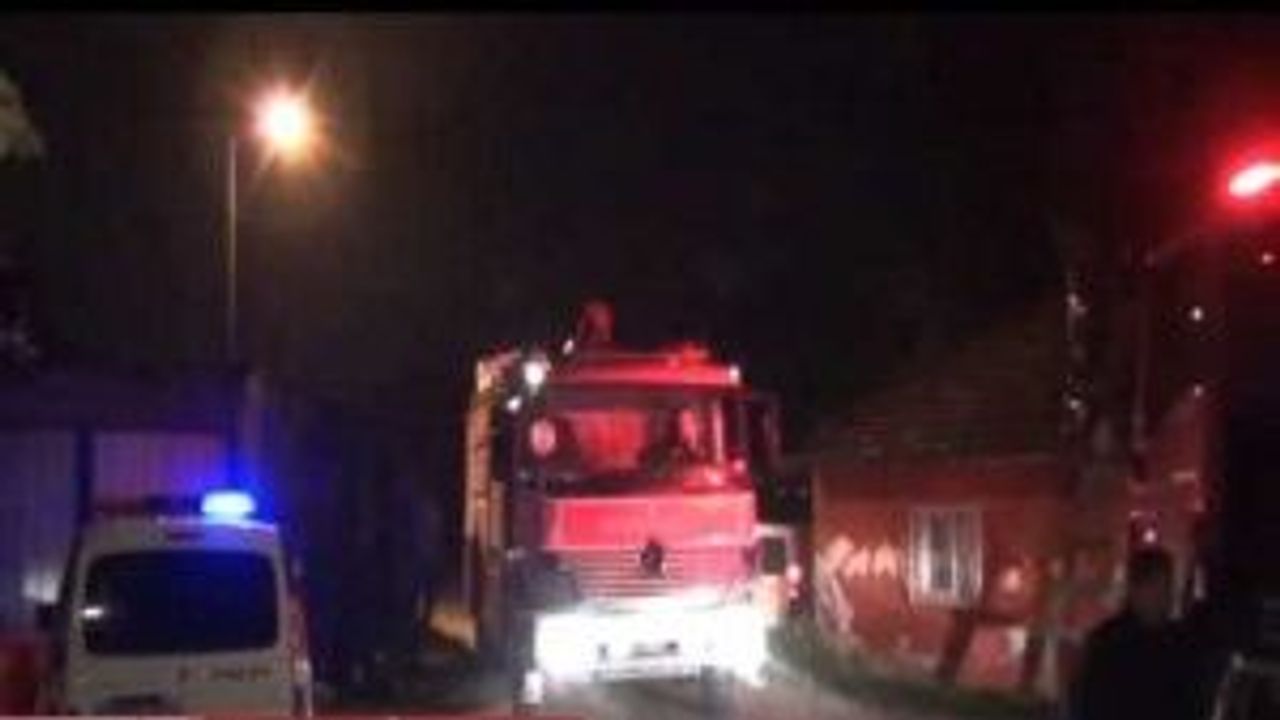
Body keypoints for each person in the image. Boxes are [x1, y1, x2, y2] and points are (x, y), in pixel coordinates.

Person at [1068, 547, 1198, 720]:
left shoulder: (1179, 642)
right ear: (1136, 590)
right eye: (1156, 589)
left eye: (1166, 589)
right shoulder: (1108, 645)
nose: (1165, 599)